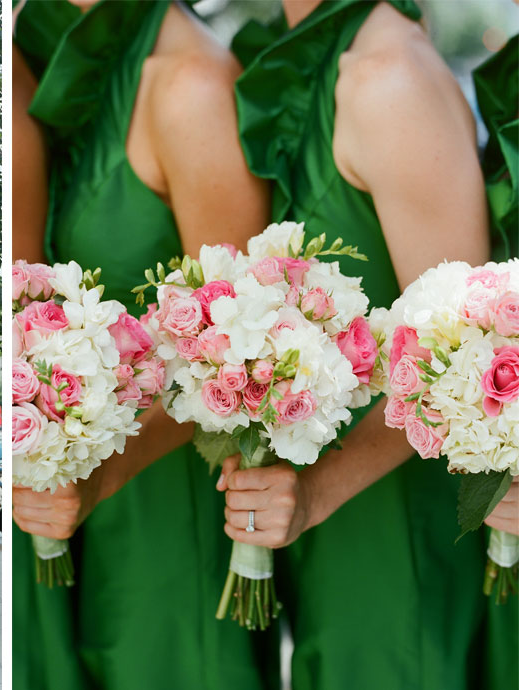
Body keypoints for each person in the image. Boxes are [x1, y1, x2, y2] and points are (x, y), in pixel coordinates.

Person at [214, 1, 516, 687]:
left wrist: (316, 494)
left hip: (397, 538)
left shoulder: (387, 80)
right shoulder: (335, 54)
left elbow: (461, 370)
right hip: (341, 528)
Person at [11, 1, 271, 686]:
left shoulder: (191, 87)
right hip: (66, 503)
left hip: (163, 511)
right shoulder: (36, 54)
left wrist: (97, 480)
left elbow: (238, 360)